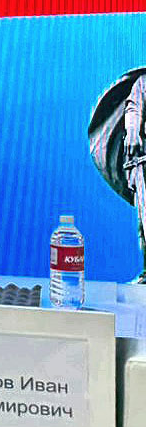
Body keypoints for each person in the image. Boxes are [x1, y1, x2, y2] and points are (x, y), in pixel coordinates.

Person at [88, 67, 146, 282]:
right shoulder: (144, 82)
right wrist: (132, 132)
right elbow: (134, 106)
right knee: (144, 219)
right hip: (144, 161)